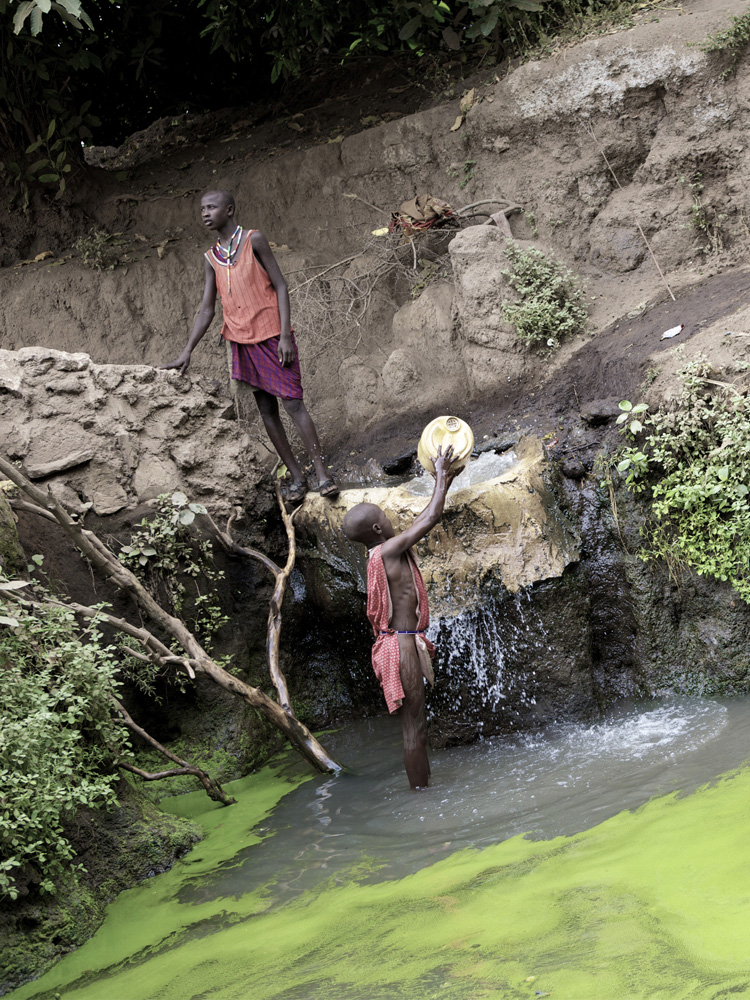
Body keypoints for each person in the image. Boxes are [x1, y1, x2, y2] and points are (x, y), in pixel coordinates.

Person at [161, 189, 337, 503]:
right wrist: (187, 350)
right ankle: (297, 477)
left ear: (229, 210)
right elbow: (206, 309)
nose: (205, 213)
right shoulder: (211, 258)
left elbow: (281, 285)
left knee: (293, 404)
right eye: (202, 208)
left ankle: (323, 475)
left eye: (211, 207)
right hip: (240, 340)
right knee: (266, 411)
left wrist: (285, 335)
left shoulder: (254, 240)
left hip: (271, 335)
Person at [342, 445, 459, 789]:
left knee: (415, 727)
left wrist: (447, 480)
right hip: (403, 647)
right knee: (415, 729)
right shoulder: (389, 549)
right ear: (379, 528)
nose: (394, 522)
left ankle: (422, 788)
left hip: (400, 645)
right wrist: (439, 475)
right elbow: (430, 518)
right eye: (388, 518)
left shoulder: (377, 555)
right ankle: (421, 796)